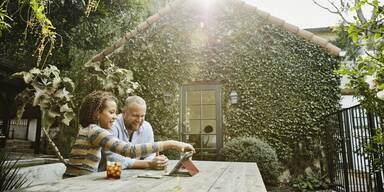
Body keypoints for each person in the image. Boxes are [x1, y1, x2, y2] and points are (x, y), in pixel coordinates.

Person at [64, 91, 194, 177]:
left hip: (87, 181)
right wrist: (171, 143)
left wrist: (154, 162)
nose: (115, 117)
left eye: (115, 113)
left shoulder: (92, 130)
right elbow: (129, 150)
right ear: (97, 113)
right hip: (75, 185)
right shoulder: (95, 131)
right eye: (111, 112)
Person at [99, 96, 166, 170]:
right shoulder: (111, 125)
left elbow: (150, 154)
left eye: (142, 116)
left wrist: (158, 162)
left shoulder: (146, 127)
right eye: (135, 116)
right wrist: (148, 164)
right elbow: (113, 160)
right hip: (107, 176)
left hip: (135, 176)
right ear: (124, 112)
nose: (139, 120)